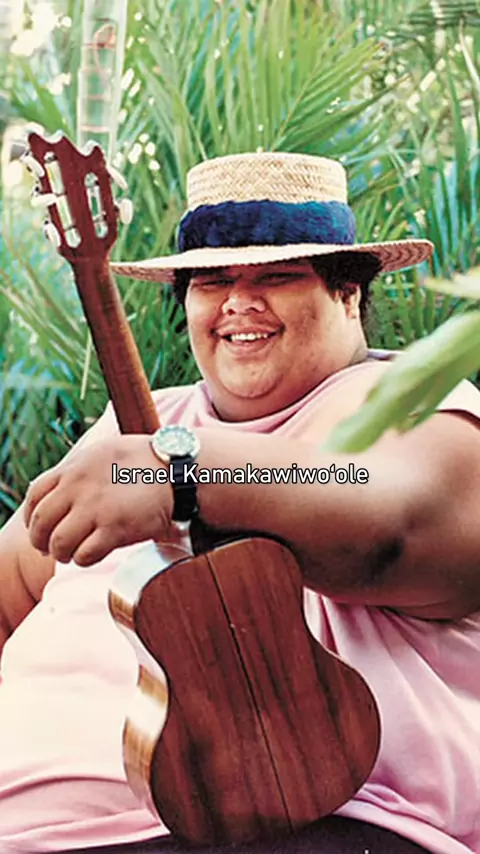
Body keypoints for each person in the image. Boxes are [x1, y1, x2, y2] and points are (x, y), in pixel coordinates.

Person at [1, 151, 480, 854]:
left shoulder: (413, 405)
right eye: (213, 280)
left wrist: (176, 475)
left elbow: (389, 523)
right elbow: (15, 574)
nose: (238, 303)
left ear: (349, 292)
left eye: (277, 277)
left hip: (316, 824)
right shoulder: (131, 429)